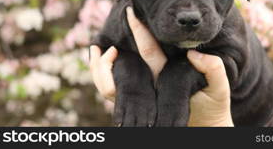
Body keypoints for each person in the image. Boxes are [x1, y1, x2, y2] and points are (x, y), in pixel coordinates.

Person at [89, 7, 234, 127]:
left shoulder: (226, 23)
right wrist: (130, 79)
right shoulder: (126, 12)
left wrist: (214, 122)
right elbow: (106, 50)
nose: (189, 10)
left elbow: (234, 57)